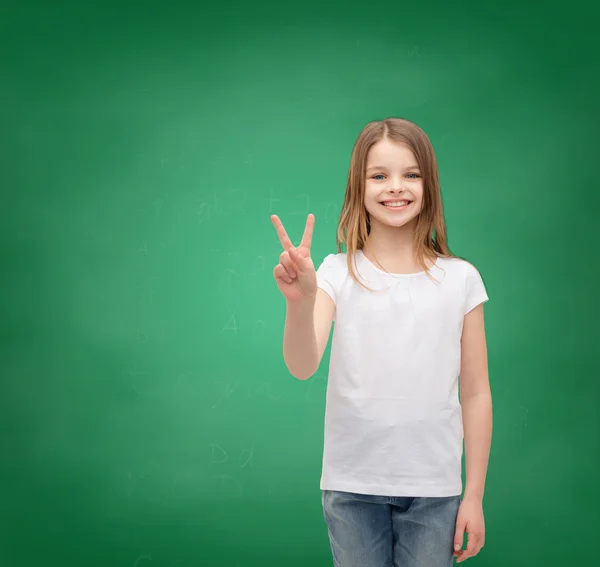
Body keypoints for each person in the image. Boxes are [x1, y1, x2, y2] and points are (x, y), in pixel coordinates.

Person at [270, 117, 492, 566]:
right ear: (359, 186)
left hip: (435, 491)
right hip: (351, 486)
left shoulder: (461, 279)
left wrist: (474, 497)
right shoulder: (334, 272)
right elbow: (303, 363)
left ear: (429, 184)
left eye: (411, 174)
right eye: (379, 175)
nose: (396, 187)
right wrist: (301, 301)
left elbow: (476, 392)